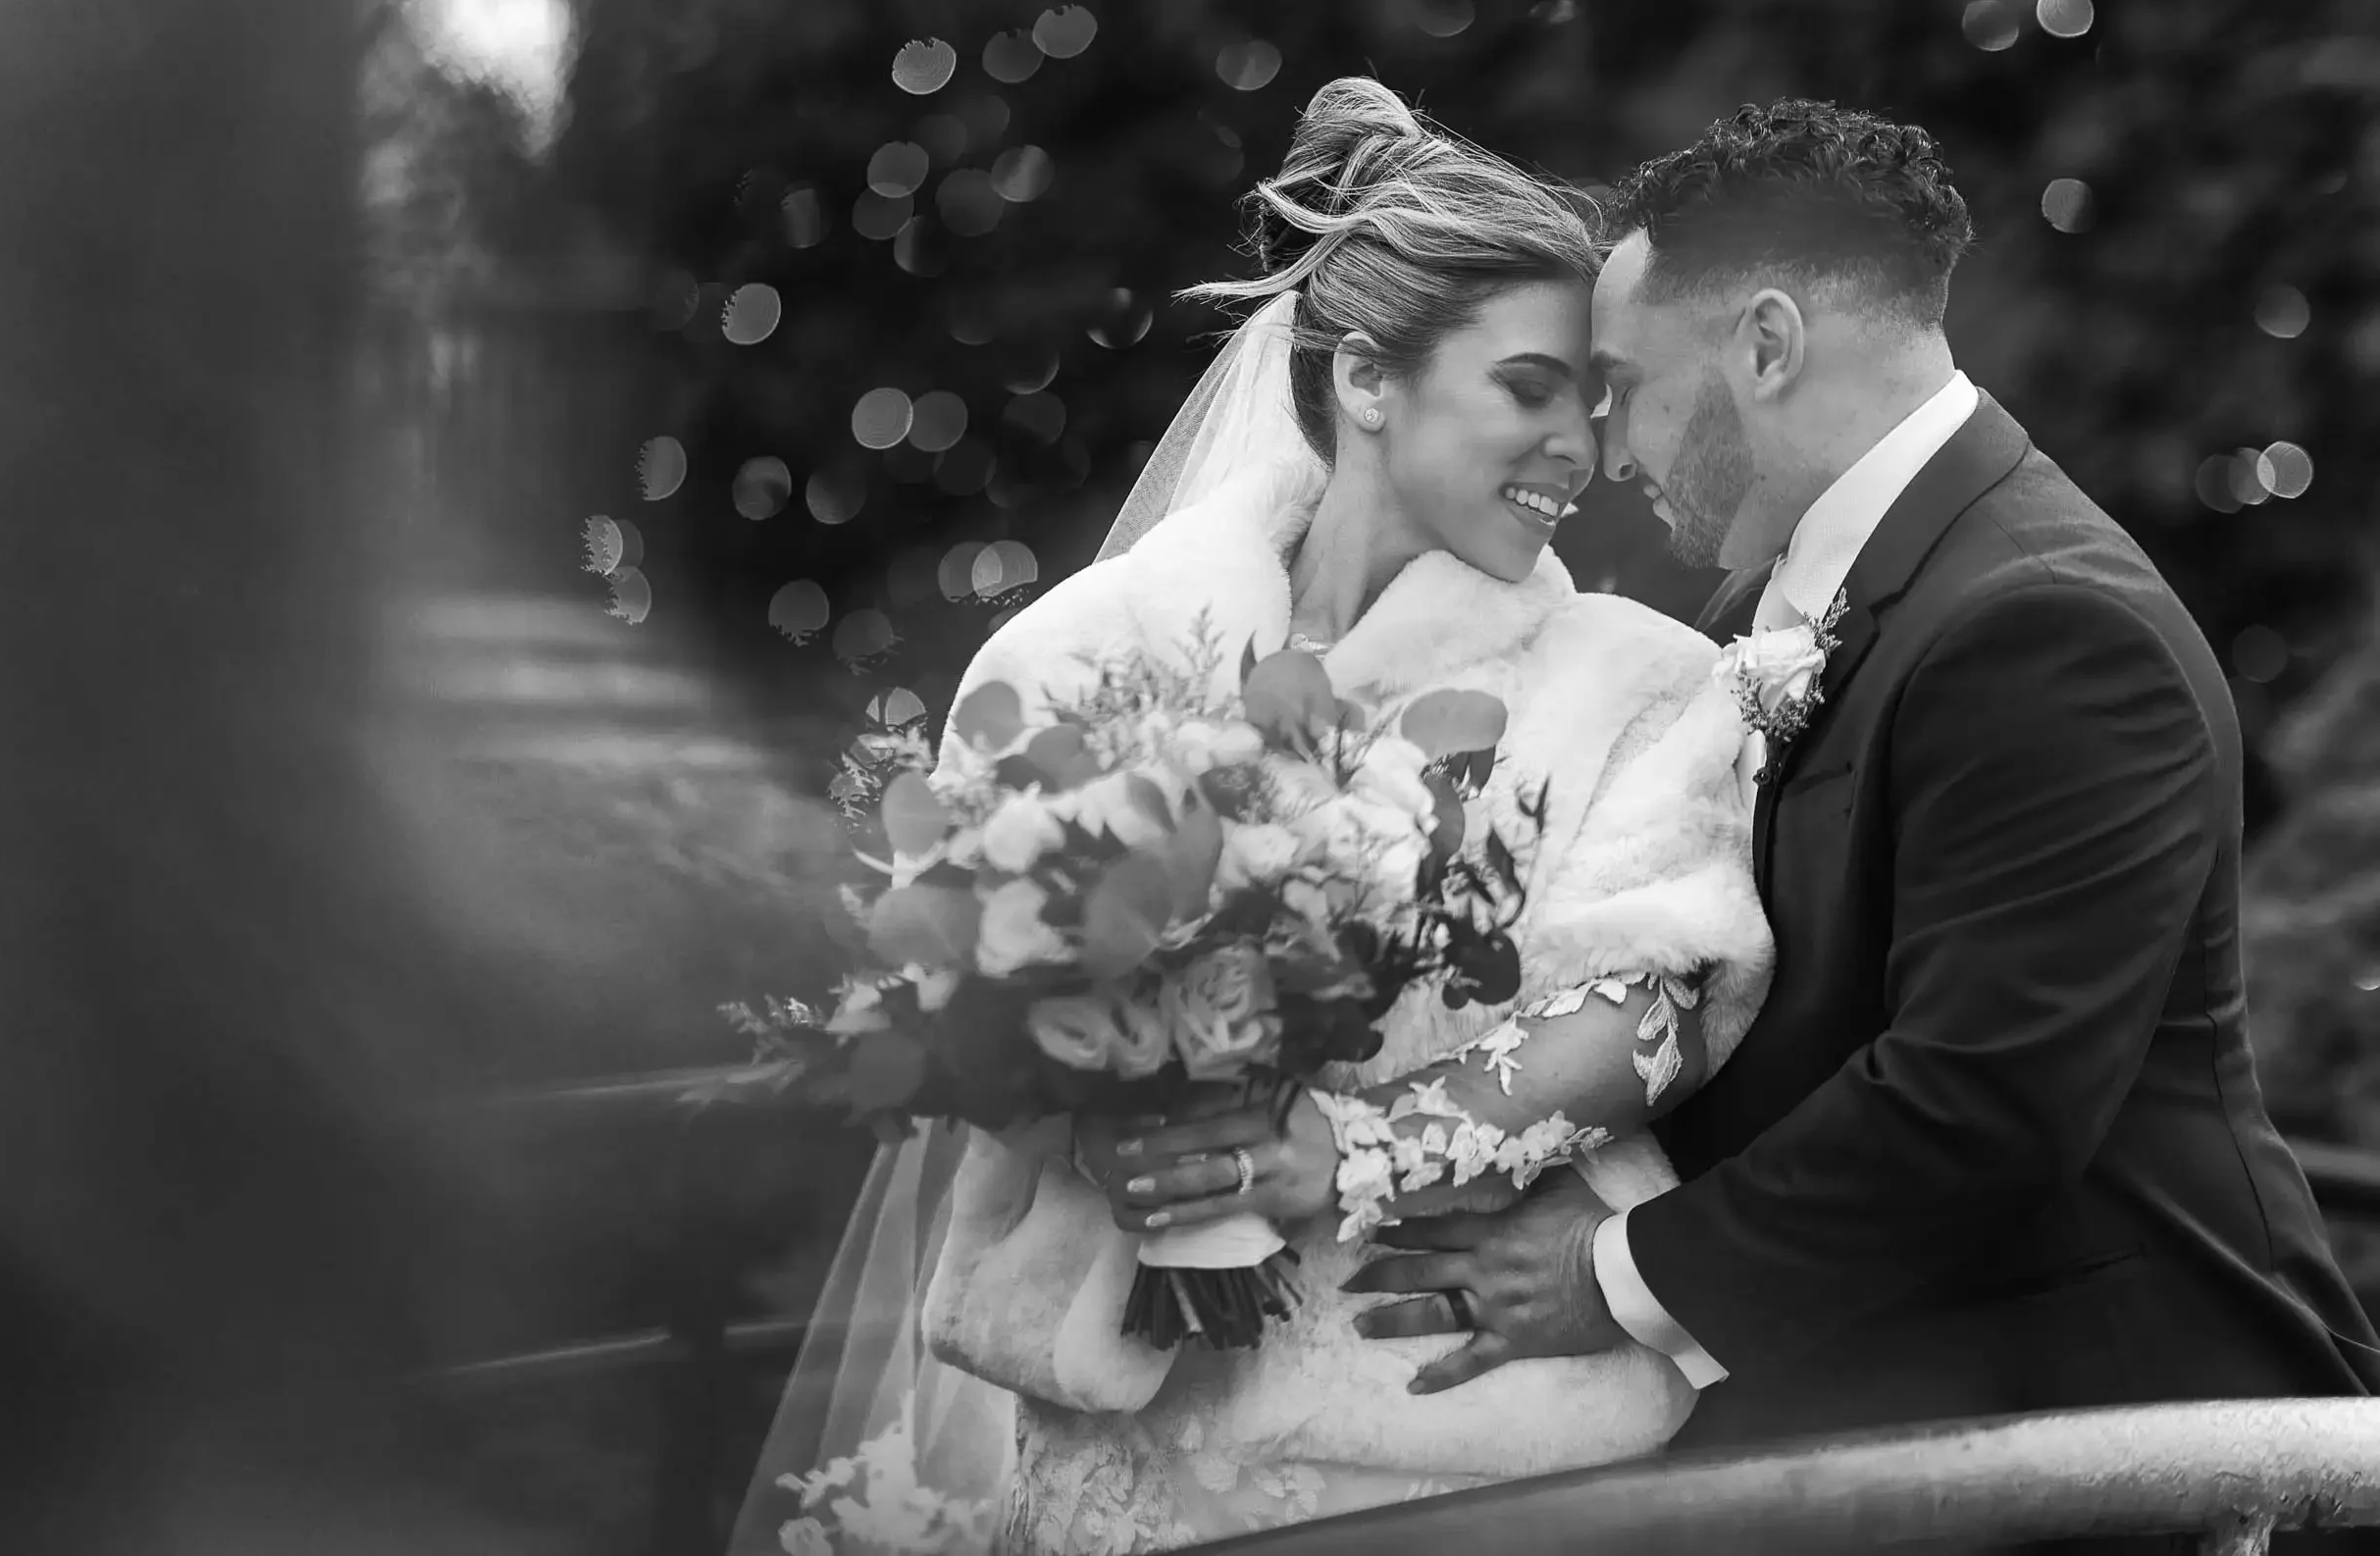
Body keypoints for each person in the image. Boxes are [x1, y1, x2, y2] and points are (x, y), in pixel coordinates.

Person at [736, 78, 1776, 1554]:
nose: (1583, 448)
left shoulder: (1642, 680)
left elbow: (1653, 1004)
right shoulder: (1082, 650)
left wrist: (1346, 1148)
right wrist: (1107, 1086)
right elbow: (958, 988)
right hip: (1124, 1446)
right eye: (1531, 389)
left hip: (1468, 1439)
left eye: (1594, 402)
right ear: (1368, 380)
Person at [1344, 98, 2380, 1547]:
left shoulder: (2051, 623)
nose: (1605, 442)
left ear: (1767, 347)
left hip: (2118, 1448)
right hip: (1888, 1429)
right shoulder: (1788, 597)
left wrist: (1606, 1273)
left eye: (1627, 384)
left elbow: (1980, 1101)